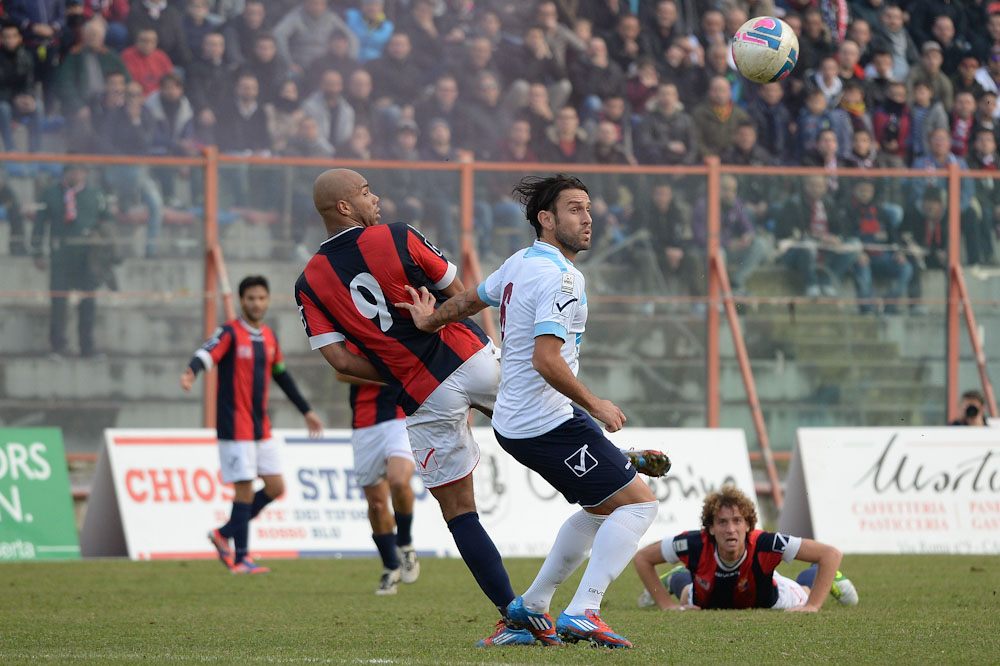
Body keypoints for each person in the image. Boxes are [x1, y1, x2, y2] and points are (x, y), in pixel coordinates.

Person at [396, 174, 669, 648]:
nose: (588, 219)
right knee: (640, 506)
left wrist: (430, 319)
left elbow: (470, 300)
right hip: (545, 423)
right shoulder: (563, 277)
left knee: (601, 509)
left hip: (526, 418)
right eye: (575, 209)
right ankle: (583, 612)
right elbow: (546, 359)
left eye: (588, 209)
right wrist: (597, 404)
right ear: (547, 219)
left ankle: (531, 606)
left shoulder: (520, 261)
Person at [293, 168, 518, 646]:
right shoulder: (399, 235)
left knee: (460, 512)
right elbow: (463, 294)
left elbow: (340, 360)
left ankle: (514, 615)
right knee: (544, 426)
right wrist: (433, 321)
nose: (376, 197)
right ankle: (608, 462)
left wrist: (401, 369)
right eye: (365, 192)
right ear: (345, 207)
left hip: (423, 393)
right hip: (471, 357)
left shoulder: (308, 281)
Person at [181, 275, 323, 574]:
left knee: (275, 486)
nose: (256, 303)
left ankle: (224, 534)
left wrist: (306, 411)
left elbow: (281, 375)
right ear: (241, 301)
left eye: (261, 298)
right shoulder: (230, 333)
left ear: (267, 300)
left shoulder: (269, 337)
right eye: (250, 298)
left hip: (261, 428)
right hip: (234, 426)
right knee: (244, 489)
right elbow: (206, 353)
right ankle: (241, 558)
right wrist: (192, 371)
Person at [633, 485, 859, 611]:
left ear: (748, 525)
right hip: (709, 599)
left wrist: (813, 606)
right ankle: (676, 577)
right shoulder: (693, 544)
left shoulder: (766, 543)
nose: (730, 529)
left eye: (737, 521)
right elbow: (642, 558)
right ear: (711, 528)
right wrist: (666, 605)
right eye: (722, 522)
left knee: (805, 591)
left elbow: (830, 554)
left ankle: (819, 574)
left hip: (770, 600)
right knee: (688, 598)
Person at [336, 368, 419, 595]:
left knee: (399, 481)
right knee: (376, 504)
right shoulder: (353, 341)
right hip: (365, 424)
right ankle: (391, 567)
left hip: (401, 417)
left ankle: (404, 543)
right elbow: (341, 373)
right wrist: (391, 375)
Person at [31, 163, 110, 359]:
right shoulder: (50, 194)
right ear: (65, 173)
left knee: (88, 302)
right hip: (61, 254)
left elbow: (108, 222)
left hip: (87, 256)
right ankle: (57, 346)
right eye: (72, 170)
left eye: (80, 170)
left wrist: (105, 247)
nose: (76, 174)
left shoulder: (96, 195)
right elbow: (39, 224)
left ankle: (87, 347)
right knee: (59, 301)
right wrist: (37, 252)